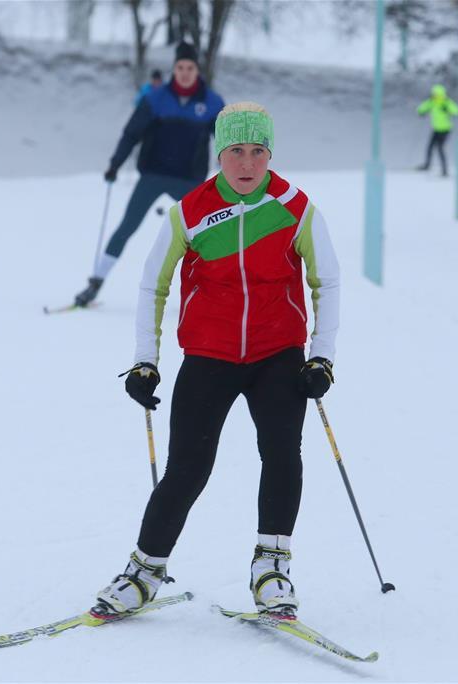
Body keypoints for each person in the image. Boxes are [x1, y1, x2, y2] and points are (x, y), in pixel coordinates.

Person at [91, 102, 340, 618]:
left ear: (270, 154)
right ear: (219, 154)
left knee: (281, 457)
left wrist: (322, 357)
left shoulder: (296, 207)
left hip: (279, 355)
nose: (247, 164)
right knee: (186, 469)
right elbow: (152, 286)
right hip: (209, 356)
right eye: (235, 152)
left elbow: (327, 282)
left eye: (258, 152)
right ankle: (144, 571)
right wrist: (144, 360)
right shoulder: (189, 211)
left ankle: (272, 568)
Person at [74, 43, 225, 307]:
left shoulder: (211, 103)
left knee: (206, 234)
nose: (185, 73)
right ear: (174, 69)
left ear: (197, 70)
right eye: (180, 67)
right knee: (127, 226)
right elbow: (131, 133)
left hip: (189, 180)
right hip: (154, 175)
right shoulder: (156, 99)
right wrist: (115, 163)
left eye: (190, 68)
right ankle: (95, 283)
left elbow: (226, 142)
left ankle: (216, 290)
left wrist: (233, 171)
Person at [415, 84, 458, 177]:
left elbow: (457, 111)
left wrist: (449, 110)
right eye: (433, 94)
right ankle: (427, 165)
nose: (434, 95)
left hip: (445, 129)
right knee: (430, 147)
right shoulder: (432, 102)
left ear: (440, 94)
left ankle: (445, 170)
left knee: (440, 148)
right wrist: (421, 112)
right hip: (436, 129)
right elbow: (422, 107)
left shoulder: (446, 102)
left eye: (435, 94)